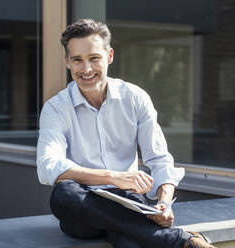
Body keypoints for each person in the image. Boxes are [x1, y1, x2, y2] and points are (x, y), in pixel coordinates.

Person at [36, 19, 216, 248]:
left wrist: (164, 203)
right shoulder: (55, 108)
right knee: (63, 193)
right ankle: (183, 242)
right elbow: (48, 167)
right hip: (81, 207)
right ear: (67, 62)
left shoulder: (135, 98)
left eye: (94, 58)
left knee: (130, 240)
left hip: (128, 204)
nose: (86, 69)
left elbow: (160, 159)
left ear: (109, 56)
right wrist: (114, 176)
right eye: (77, 60)